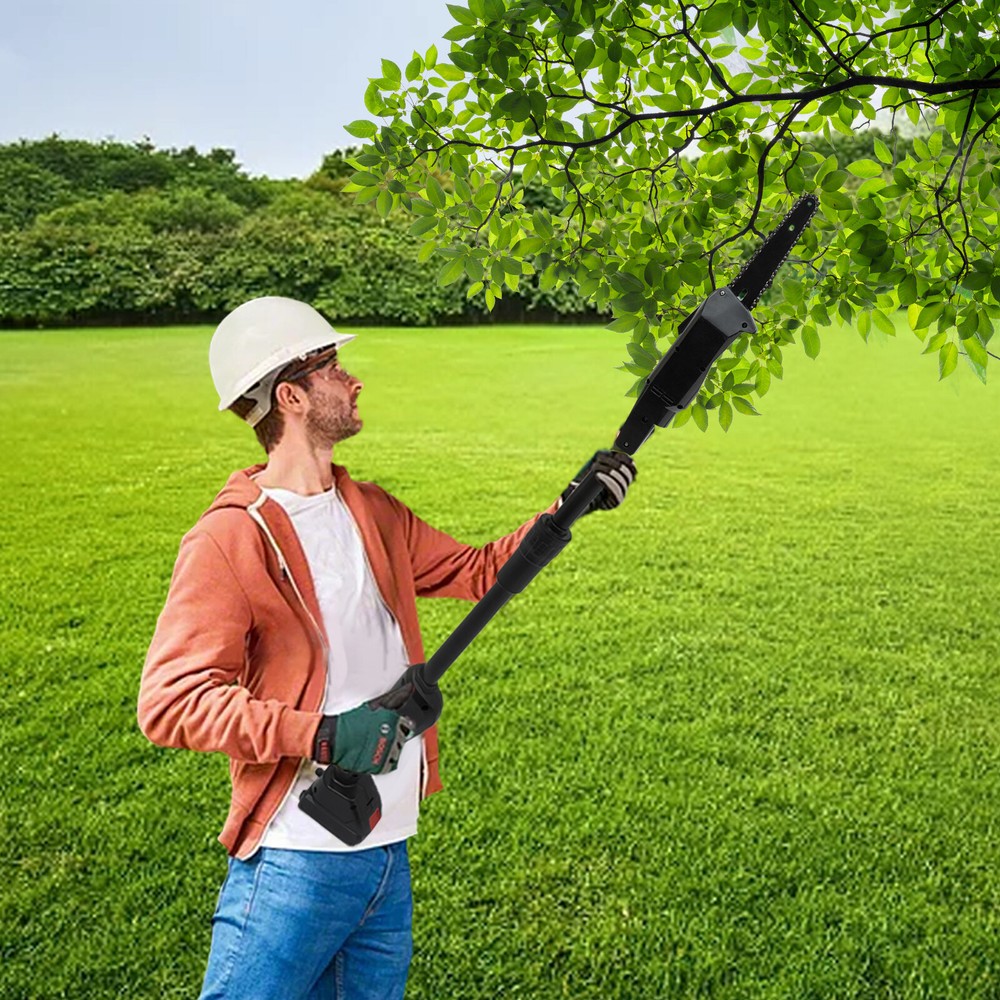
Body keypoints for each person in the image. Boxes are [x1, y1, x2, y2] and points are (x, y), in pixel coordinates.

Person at [137, 296, 637, 1000]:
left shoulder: (368, 507)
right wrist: (323, 736)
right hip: (297, 861)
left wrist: (569, 507)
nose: (353, 379)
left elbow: (479, 572)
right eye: (333, 366)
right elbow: (171, 702)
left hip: (384, 850)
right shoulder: (231, 539)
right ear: (292, 396)